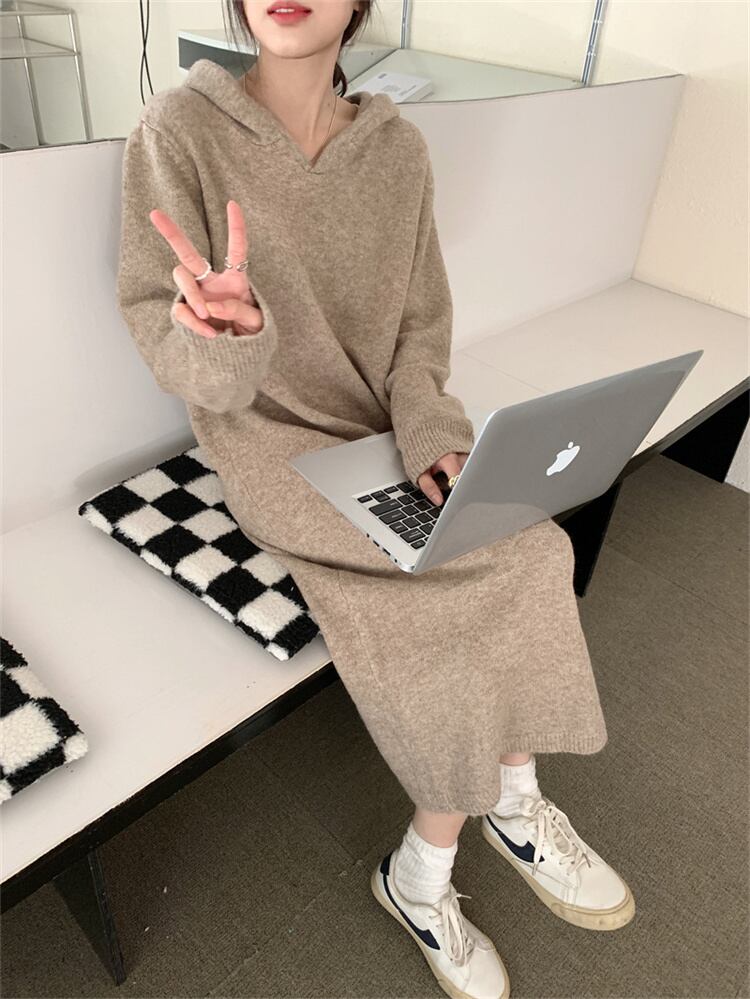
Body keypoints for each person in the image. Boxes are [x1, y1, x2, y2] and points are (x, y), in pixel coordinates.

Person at [116, 2, 635, 996]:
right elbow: (173, 347)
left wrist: (434, 432)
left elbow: (419, 331)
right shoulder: (176, 131)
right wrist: (225, 336)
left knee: (532, 544)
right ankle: (424, 872)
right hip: (268, 448)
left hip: (387, 437)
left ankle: (509, 800)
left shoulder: (399, 152)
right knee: (456, 580)